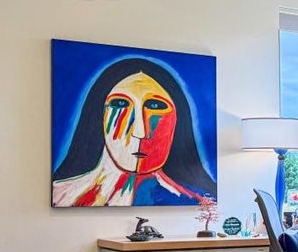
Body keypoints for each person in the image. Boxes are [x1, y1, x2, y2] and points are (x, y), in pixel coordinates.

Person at [52, 57, 216, 207]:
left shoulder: (200, 204)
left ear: (178, 121)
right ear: (98, 115)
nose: (140, 132)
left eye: (155, 106)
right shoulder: (60, 196)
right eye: (120, 104)